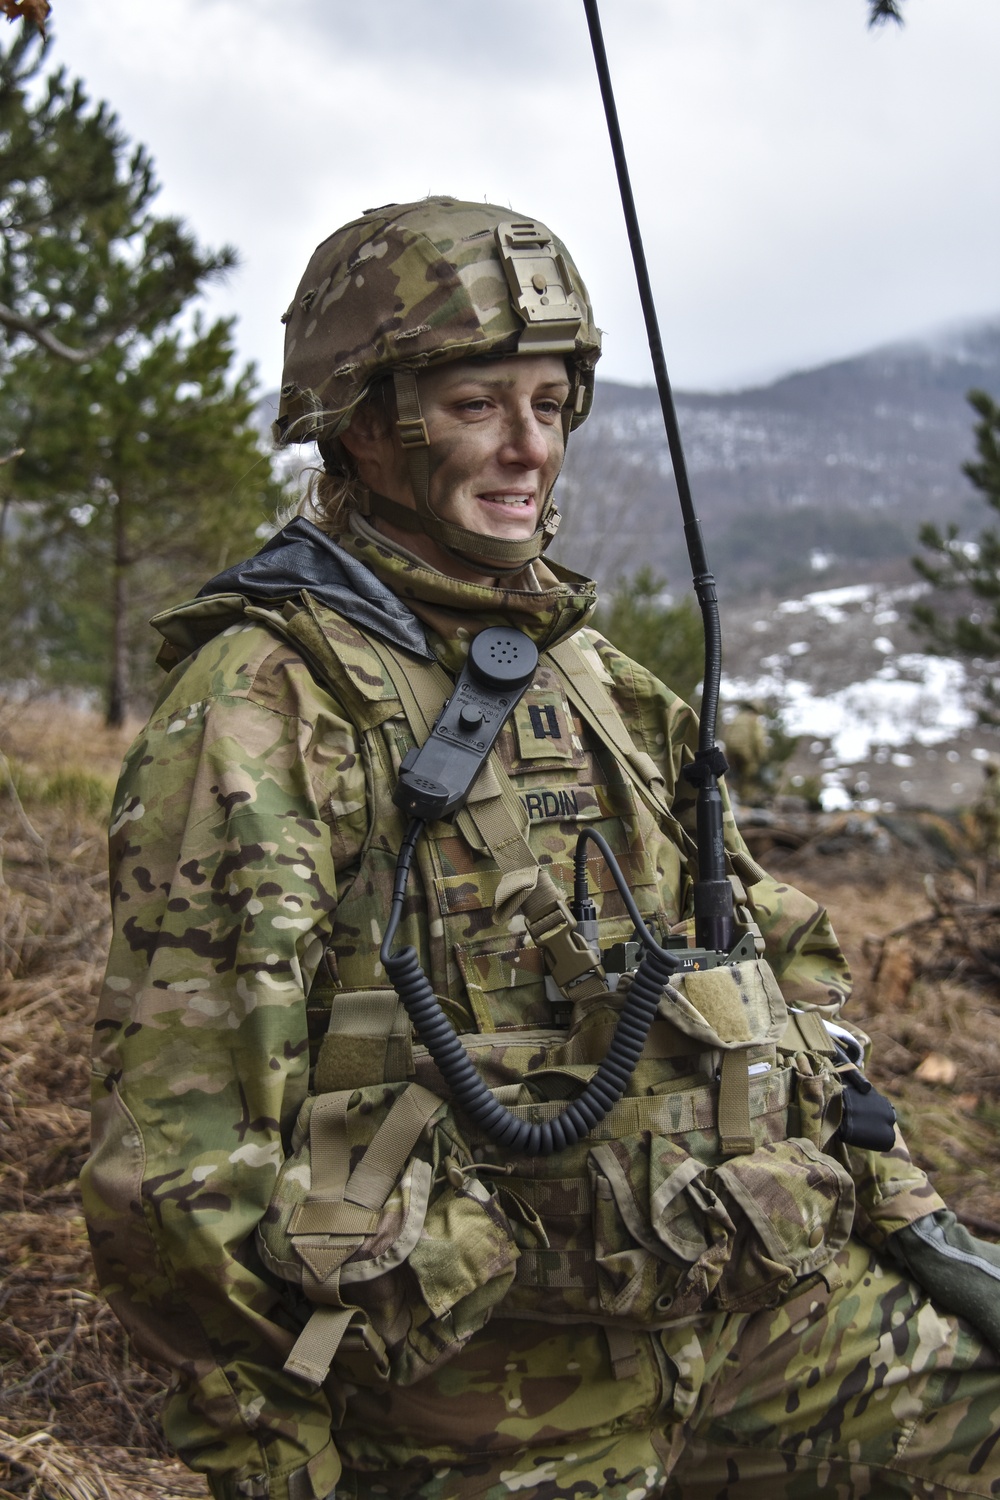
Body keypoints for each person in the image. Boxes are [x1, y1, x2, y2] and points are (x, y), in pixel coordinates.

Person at [82, 198, 1000, 1500]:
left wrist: (905, 1218)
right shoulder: (261, 712)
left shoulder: (598, 682)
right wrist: (274, 1451)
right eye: (477, 407)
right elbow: (175, 1174)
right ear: (364, 422)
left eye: (552, 404)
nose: (530, 449)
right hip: (481, 1392)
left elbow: (780, 963)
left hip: (751, 1314)